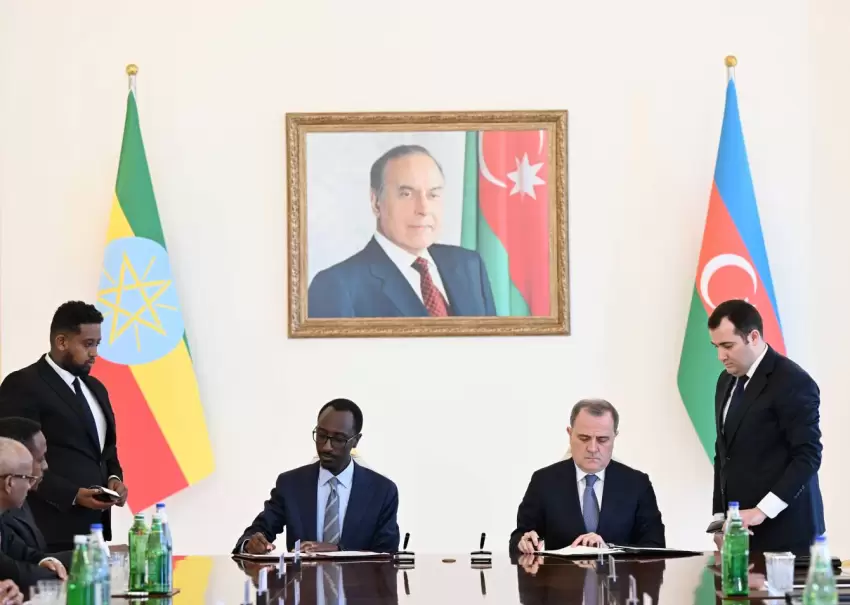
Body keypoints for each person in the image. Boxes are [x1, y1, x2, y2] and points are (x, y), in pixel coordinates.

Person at [308, 145, 497, 318]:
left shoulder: (470, 266)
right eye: (406, 194)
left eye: (433, 194)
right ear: (376, 203)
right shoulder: (336, 287)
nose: (423, 209)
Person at [0, 301, 128, 550]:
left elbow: (106, 450)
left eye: (97, 344)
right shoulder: (23, 384)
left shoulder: (96, 388)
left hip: (95, 529)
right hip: (47, 531)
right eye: (88, 344)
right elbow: (13, 461)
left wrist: (114, 478)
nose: (95, 353)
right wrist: (73, 495)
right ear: (61, 342)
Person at [708, 299, 824, 554]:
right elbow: (723, 453)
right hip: (739, 532)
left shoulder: (793, 381)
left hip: (787, 534)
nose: (721, 356)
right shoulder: (725, 380)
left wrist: (761, 511)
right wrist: (719, 519)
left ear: (753, 337)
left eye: (728, 346)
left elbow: (808, 456)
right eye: (716, 346)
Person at [234, 398, 400, 554]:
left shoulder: (382, 491)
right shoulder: (290, 485)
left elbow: (387, 555)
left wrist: (338, 551)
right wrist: (250, 545)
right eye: (321, 435)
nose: (326, 447)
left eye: (338, 439)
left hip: (359, 577)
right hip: (302, 576)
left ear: (355, 440)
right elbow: (259, 530)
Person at [510, 399, 665, 553]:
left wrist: (608, 549)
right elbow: (518, 538)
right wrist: (524, 543)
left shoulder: (637, 484)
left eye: (602, 440)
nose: (592, 448)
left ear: (614, 437)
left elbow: (655, 547)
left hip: (618, 570)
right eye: (584, 438)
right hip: (561, 570)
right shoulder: (543, 481)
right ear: (570, 434)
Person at [0, 417, 71, 568]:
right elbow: (12, 569)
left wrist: (88, 554)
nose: (45, 466)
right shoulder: (8, 506)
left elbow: (30, 555)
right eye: (39, 459)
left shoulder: (18, 502)